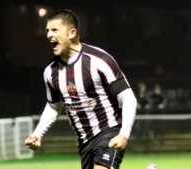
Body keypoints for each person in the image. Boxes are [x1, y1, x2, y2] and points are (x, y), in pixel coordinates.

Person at [24, 9, 137, 169]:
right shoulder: (50, 72)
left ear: (72, 33)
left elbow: (128, 97)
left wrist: (124, 133)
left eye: (54, 30)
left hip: (108, 131)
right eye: (47, 30)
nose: (49, 34)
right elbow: (53, 106)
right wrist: (37, 134)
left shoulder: (99, 60)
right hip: (84, 141)